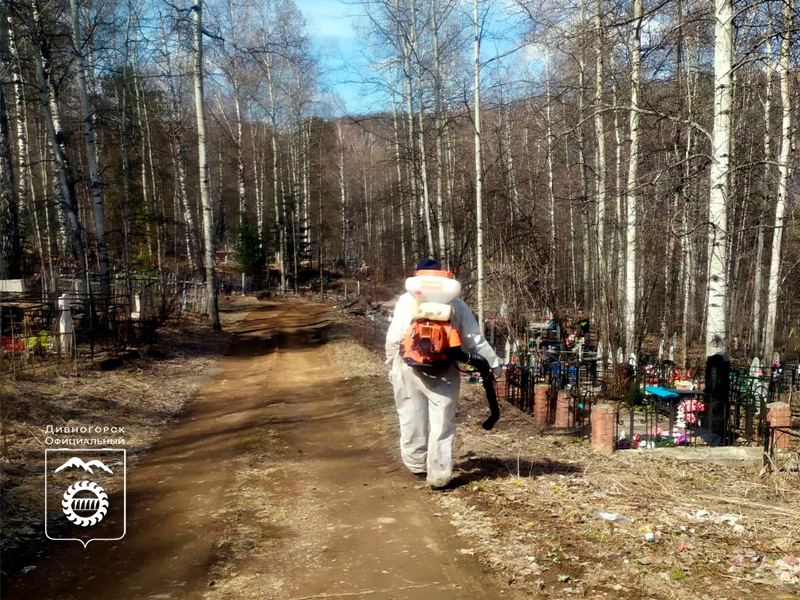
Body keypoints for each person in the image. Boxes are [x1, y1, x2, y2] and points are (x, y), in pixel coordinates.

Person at [385, 259, 501, 489]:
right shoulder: (456, 303)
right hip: (444, 371)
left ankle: (417, 465)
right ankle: (439, 476)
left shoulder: (407, 300)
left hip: (408, 367)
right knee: (442, 423)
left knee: (411, 416)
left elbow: (394, 335)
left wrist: (391, 363)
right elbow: (474, 339)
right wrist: (494, 366)